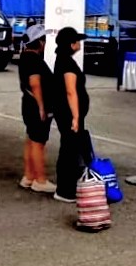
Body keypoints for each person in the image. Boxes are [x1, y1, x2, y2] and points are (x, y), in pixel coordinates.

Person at [50, 27, 91, 204]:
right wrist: (75, 116)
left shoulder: (63, 60)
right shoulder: (66, 63)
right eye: (77, 41)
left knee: (70, 147)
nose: (80, 44)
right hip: (68, 114)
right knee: (69, 149)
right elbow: (71, 92)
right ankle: (65, 190)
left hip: (66, 112)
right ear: (72, 44)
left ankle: (67, 187)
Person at [17, 24, 55, 194]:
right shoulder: (33, 59)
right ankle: (40, 179)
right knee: (38, 142)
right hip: (36, 105)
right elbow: (35, 84)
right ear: (39, 42)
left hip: (28, 104)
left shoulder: (25, 57)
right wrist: (41, 107)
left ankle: (29, 176)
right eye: (44, 40)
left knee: (31, 140)